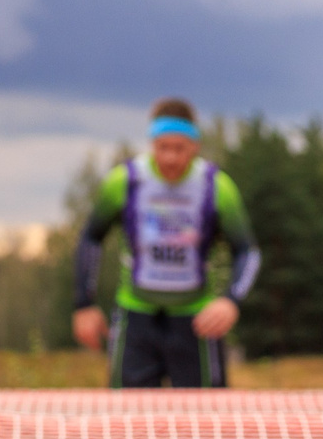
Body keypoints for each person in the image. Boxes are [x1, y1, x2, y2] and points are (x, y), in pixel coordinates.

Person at [71, 100, 261, 389]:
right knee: (126, 422)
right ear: (151, 144)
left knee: (207, 424)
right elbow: (90, 238)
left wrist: (230, 300)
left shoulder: (216, 187)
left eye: (179, 148)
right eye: (163, 147)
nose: (171, 158)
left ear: (195, 146)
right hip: (136, 317)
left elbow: (247, 252)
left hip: (196, 320)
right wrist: (83, 303)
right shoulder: (125, 182)